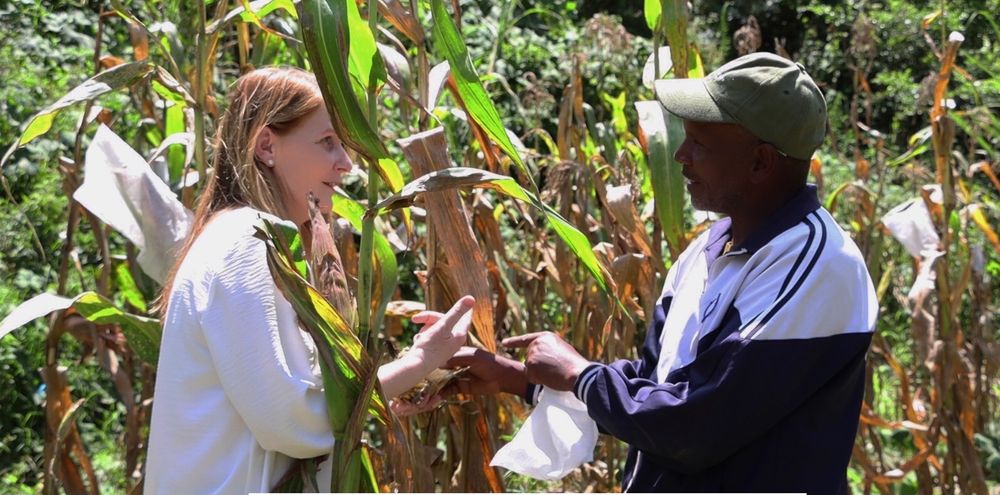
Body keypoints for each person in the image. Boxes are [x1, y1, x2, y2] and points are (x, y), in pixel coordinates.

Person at [447, 52, 878, 493]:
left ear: (760, 162)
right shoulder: (707, 251)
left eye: (699, 144)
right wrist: (518, 378)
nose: (680, 155)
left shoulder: (819, 266)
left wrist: (581, 375)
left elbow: (695, 426)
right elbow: (660, 389)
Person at [144, 67, 473, 494]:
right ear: (267, 146)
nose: (346, 163)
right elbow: (295, 424)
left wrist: (400, 383)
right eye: (327, 142)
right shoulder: (245, 242)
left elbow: (295, 401)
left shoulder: (240, 238)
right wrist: (421, 361)